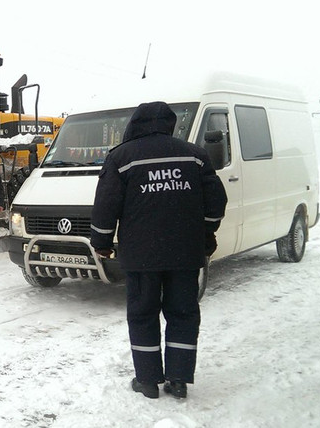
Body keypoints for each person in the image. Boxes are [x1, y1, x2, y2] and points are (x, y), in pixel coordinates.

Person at [90, 101, 228, 400]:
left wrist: (101, 242)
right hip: (185, 252)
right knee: (183, 313)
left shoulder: (121, 157)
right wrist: (206, 232)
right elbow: (216, 202)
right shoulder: (195, 155)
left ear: (135, 124)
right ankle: (178, 380)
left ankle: (148, 380)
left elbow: (106, 205)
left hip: (141, 256)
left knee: (142, 314)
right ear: (170, 123)